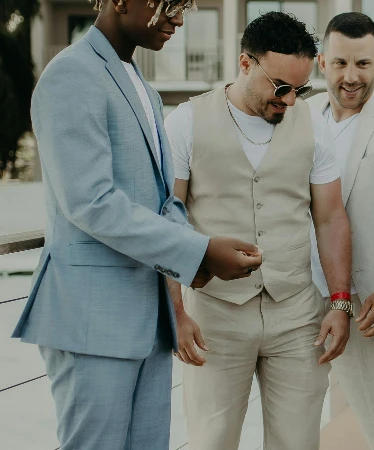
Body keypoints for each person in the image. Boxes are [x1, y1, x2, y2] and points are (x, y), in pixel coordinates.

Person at [12, 0, 262, 448]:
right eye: (168, 4)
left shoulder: (142, 87)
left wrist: (194, 256)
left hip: (149, 317)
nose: (179, 19)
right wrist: (199, 252)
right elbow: (91, 202)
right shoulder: (71, 75)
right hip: (93, 319)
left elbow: (163, 202)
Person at [163, 12, 352, 450]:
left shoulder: (313, 123)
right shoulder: (185, 122)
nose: (289, 100)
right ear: (245, 63)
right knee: (212, 442)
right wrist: (176, 313)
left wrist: (340, 302)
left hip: (297, 314)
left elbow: (330, 217)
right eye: (280, 87)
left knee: (298, 443)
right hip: (214, 314)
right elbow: (166, 221)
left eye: (300, 89)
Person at [305, 12, 374, 450]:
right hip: (301, 297)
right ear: (322, 62)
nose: (351, 77)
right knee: (319, 425)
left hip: (366, 300)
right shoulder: (301, 116)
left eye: (363, 64)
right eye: (340, 64)